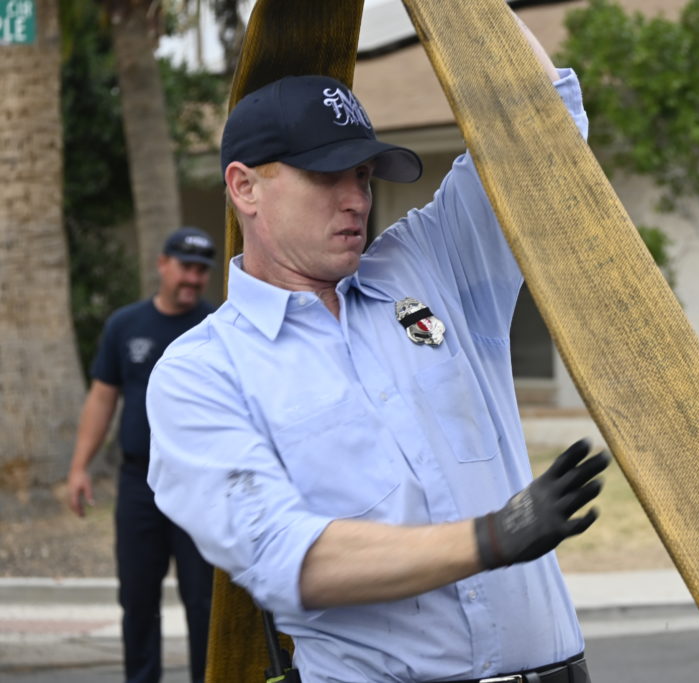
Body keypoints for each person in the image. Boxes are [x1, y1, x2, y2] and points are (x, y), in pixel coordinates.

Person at [147, 15, 608, 683]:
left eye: (362, 175)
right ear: (244, 186)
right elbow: (290, 558)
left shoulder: (428, 263)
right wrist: (491, 537)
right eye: (326, 175)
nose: (355, 199)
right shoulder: (202, 374)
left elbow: (543, 125)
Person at [66, 227, 217, 683]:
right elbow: (102, 397)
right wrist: (80, 467)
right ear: (162, 264)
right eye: (185, 267)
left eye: (202, 270)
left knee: (204, 601)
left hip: (199, 483)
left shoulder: (217, 326)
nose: (193, 278)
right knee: (137, 598)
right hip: (139, 483)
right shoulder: (124, 325)